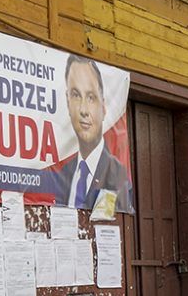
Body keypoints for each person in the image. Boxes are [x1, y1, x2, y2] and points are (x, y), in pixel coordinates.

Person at [53, 55, 134, 213]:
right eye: (76, 95)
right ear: (68, 103)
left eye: (91, 97)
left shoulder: (119, 175)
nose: (83, 110)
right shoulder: (62, 175)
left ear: (103, 108)